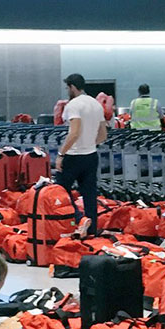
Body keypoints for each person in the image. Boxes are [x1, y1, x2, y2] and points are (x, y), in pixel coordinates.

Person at [55, 73, 107, 237]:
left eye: (67, 87)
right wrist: (90, 143)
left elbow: (74, 132)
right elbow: (103, 134)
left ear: (72, 87)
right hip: (91, 156)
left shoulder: (73, 105)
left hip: (74, 156)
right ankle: (91, 230)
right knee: (89, 194)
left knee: (61, 189)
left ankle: (78, 219)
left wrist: (61, 154)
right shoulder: (96, 104)